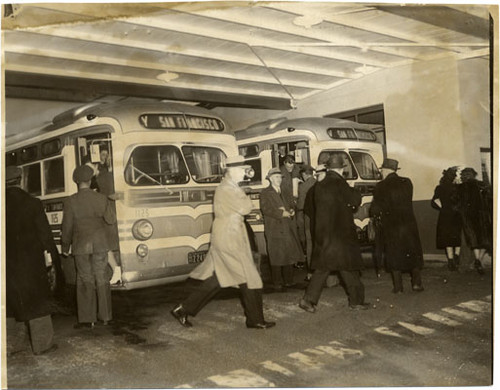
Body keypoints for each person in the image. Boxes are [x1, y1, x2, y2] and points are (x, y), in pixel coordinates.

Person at [170, 155, 275, 329]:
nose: (245, 173)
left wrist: (242, 192)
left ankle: (183, 309)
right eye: (242, 170)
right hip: (229, 238)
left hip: (229, 236)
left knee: (220, 278)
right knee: (249, 276)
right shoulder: (228, 189)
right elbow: (246, 208)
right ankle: (255, 319)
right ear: (232, 171)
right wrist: (244, 193)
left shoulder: (229, 187)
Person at [299, 156, 369, 313]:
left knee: (325, 268)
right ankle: (356, 301)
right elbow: (355, 200)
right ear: (341, 169)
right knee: (348, 266)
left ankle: (308, 300)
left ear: (328, 168)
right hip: (340, 234)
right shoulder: (339, 182)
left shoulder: (319, 186)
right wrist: (353, 190)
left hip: (324, 234)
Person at [6, 166, 58, 355]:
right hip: (31, 265)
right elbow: (46, 236)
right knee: (36, 303)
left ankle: (11, 346)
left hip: (6, 265)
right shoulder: (33, 203)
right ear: (21, 180)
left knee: (9, 305)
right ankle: (42, 345)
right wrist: (54, 262)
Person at [62, 165, 116, 328]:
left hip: (80, 246)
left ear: (77, 182)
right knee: (101, 278)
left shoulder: (71, 201)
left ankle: (88, 319)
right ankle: (106, 316)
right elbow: (110, 220)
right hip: (100, 245)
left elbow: (67, 227)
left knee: (85, 280)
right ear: (91, 180)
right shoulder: (100, 198)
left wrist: (65, 247)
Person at [370, 158, 424, 293]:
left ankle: (398, 287)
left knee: (394, 254)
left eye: (382, 170)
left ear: (386, 170)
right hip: (409, 224)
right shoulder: (407, 183)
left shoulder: (381, 186)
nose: (381, 172)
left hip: (392, 225)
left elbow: (376, 209)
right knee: (412, 252)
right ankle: (417, 283)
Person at [260, 168, 303, 291]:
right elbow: (265, 209)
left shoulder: (284, 191)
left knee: (288, 253)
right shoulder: (265, 193)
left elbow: (290, 204)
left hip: (286, 226)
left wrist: (291, 210)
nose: (279, 180)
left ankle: (289, 281)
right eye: (276, 177)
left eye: (280, 177)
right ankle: (277, 282)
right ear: (270, 179)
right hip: (274, 228)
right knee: (276, 255)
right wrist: (280, 213)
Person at [456, 167, 492, 275]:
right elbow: (490, 198)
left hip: (467, 218)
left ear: (463, 176)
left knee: (473, 240)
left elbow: (455, 203)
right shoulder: (481, 185)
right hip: (482, 216)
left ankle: (476, 259)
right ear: (474, 175)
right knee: (486, 240)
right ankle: (479, 260)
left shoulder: (460, 188)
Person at [431, 167, 462, 271]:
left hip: (445, 215)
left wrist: (442, 207)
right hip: (457, 215)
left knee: (447, 237)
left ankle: (451, 260)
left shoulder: (440, 188)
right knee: (456, 235)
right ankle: (457, 255)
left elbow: (434, 201)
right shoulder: (458, 188)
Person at [297, 165, 316, 277]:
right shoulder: (318, 183)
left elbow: (300, 204)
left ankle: (311, 270)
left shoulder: (303, 186)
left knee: (309, 242)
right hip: (318, 216)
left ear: (304, 174)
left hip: (308, 216)